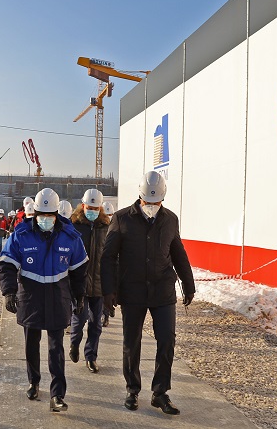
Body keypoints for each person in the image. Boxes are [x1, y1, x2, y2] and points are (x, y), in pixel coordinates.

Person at [101, 171, 196, 415]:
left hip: (162, 290)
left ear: (162, 198)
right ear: (140, 196)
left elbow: (179, 253)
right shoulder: (122, 219)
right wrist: (108, 291)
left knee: (167, 340)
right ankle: (132, 389)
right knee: (131, 342)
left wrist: (188, 283)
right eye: (147, 201)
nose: (151, 206)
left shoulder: (170, 219)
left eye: (156, 202)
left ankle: (160, 392)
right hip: (132, 290)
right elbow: (108, 257)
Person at [0, 188, 88, 412]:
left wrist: (79, 295)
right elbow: (7, 265)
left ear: (56, 214)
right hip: (31, 298)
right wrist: (9, 292)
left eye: (49, 215)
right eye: (41, 215)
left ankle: (57, 395)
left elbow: (79, 270)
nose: (45, 219)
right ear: (35, 213)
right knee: (31, 344)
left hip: (58, 297)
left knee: (56, 348)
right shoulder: (21, 234)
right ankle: (34, 381)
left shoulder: (70, 236)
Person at [69, 189, 109, 374]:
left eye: (95, 208)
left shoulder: (105, 227)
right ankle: (74, 343)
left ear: (100, 208)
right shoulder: (74, 226)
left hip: (99, 283)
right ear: (82, 205)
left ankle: (91, 357)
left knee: (96, 324)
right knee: (79, 319)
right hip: (80, 282)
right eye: (89, 207)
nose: (92, 211)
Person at [101, 200, 117, 327]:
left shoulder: (116, 229)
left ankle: (110, 309)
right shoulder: (99, 228)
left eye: (110, 215)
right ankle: (105, 315)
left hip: (114, 267)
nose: (108, 217)